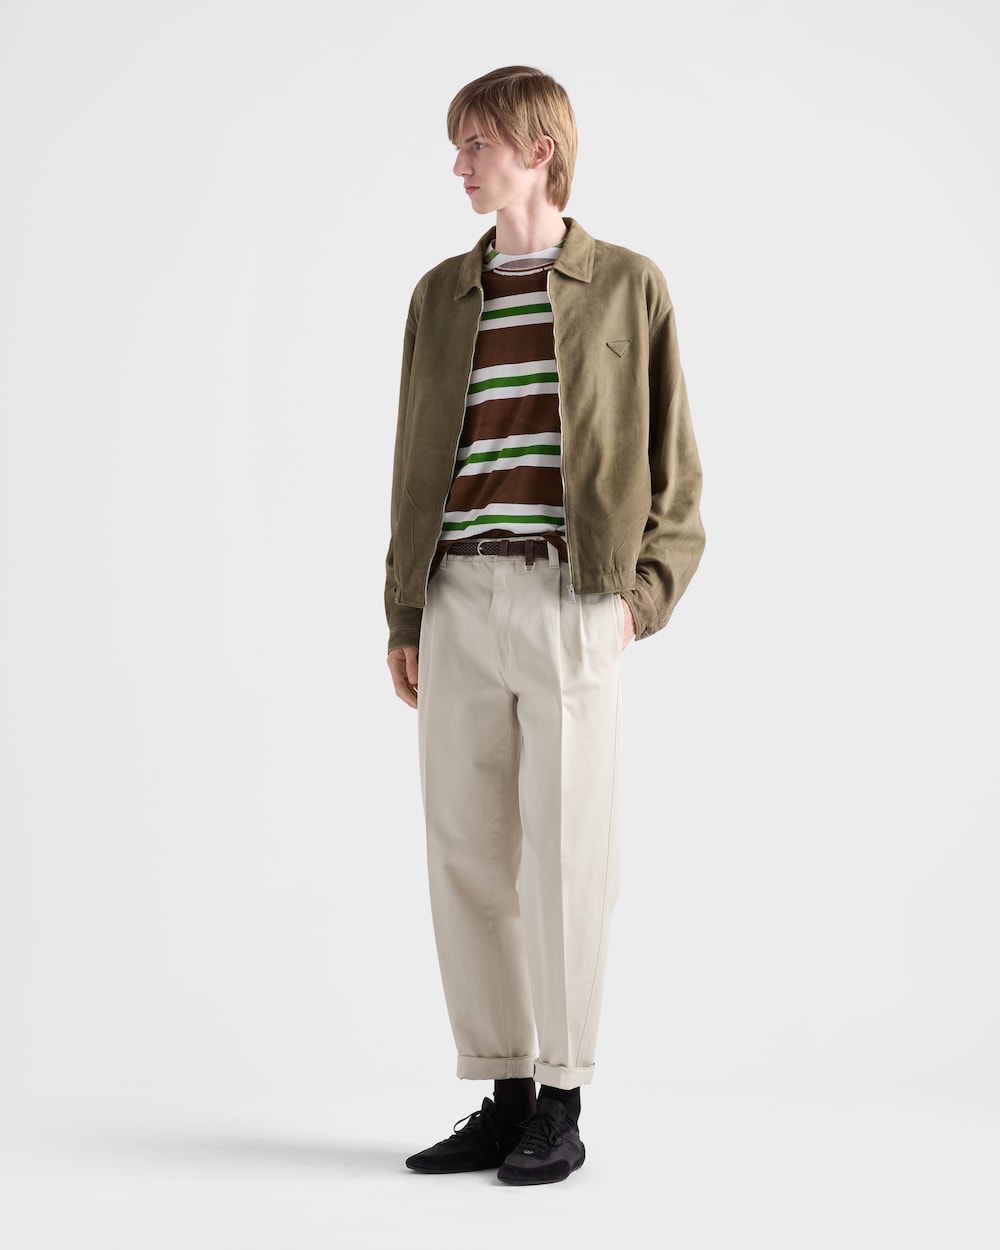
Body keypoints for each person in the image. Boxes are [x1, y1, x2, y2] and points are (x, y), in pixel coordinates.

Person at [384, 65, 705, 1186]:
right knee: (465, 852)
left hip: (573, 599)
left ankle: (562, 1100)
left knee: (568, 854)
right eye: (458, 145)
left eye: (476, 144)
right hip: (457, 596)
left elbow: (676, 471)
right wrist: (405, 607)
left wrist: (636, 601)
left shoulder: (626, 285)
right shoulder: (440, 295)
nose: (458, 164)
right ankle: (504, 1091)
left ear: (540, 150)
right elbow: (412, 462)